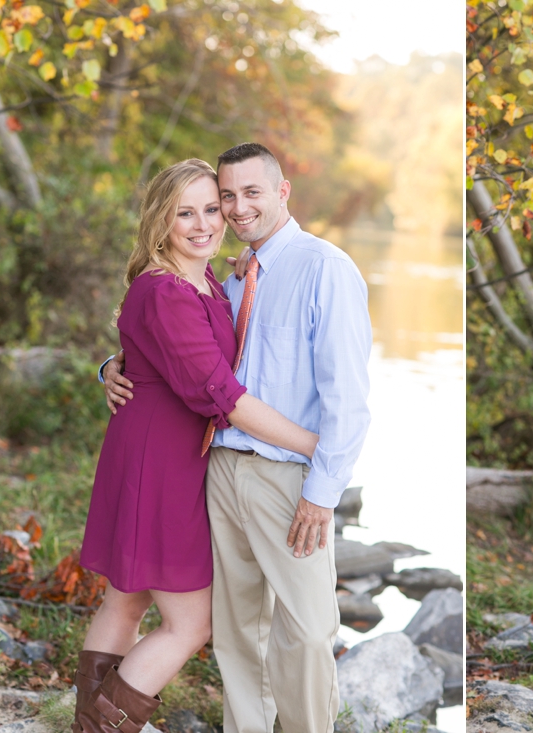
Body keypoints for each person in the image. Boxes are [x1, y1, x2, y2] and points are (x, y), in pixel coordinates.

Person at [102, 143, 372, 733]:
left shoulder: (324, 267)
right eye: (228, 195)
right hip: (219, 472)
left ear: (282, 192)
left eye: (251, 193)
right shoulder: (224, 279)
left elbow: (348, 398)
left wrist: (322, 488)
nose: (237, 207)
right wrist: (113, 367)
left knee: (305, 631)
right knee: (237, 631)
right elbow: (178, 350)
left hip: (286, 478)